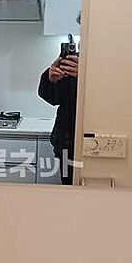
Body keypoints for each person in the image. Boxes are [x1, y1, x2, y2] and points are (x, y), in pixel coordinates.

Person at [38, 47, 78, 184]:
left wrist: (85, 77)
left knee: (93, 189)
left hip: (91, 139)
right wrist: (51, 79)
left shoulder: (101, 68)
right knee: (67, 184)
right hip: (66, 142)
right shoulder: (71, 64)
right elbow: (53, 99)